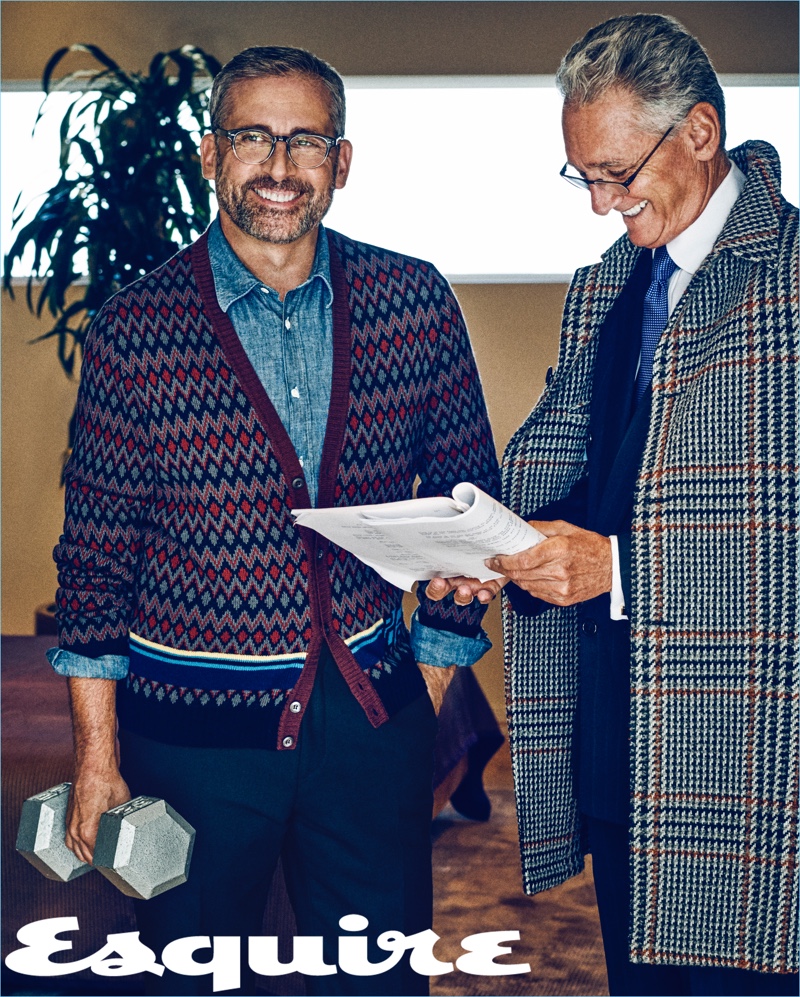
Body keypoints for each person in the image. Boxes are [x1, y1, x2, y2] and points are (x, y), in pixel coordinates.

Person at [49, 45, 500, 996]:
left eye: (306, 140)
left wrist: (421, 676)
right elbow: (96, 558)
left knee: (377, 982)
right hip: (187, 744)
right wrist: (98, 754)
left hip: (371, 729)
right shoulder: (136, 328)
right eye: (254, 137)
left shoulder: (414, 301)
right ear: (211, 155)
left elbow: (472, 502)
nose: (280, 165)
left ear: (342, 162)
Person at [428, 13, 798, 996]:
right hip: (614, 742)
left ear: (699, 134)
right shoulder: (601, 289)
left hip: (747, 765)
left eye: (615, 173)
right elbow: (582, 481)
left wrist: (622, 569)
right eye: (579, 177)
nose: (599, 204)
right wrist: (485, 540)